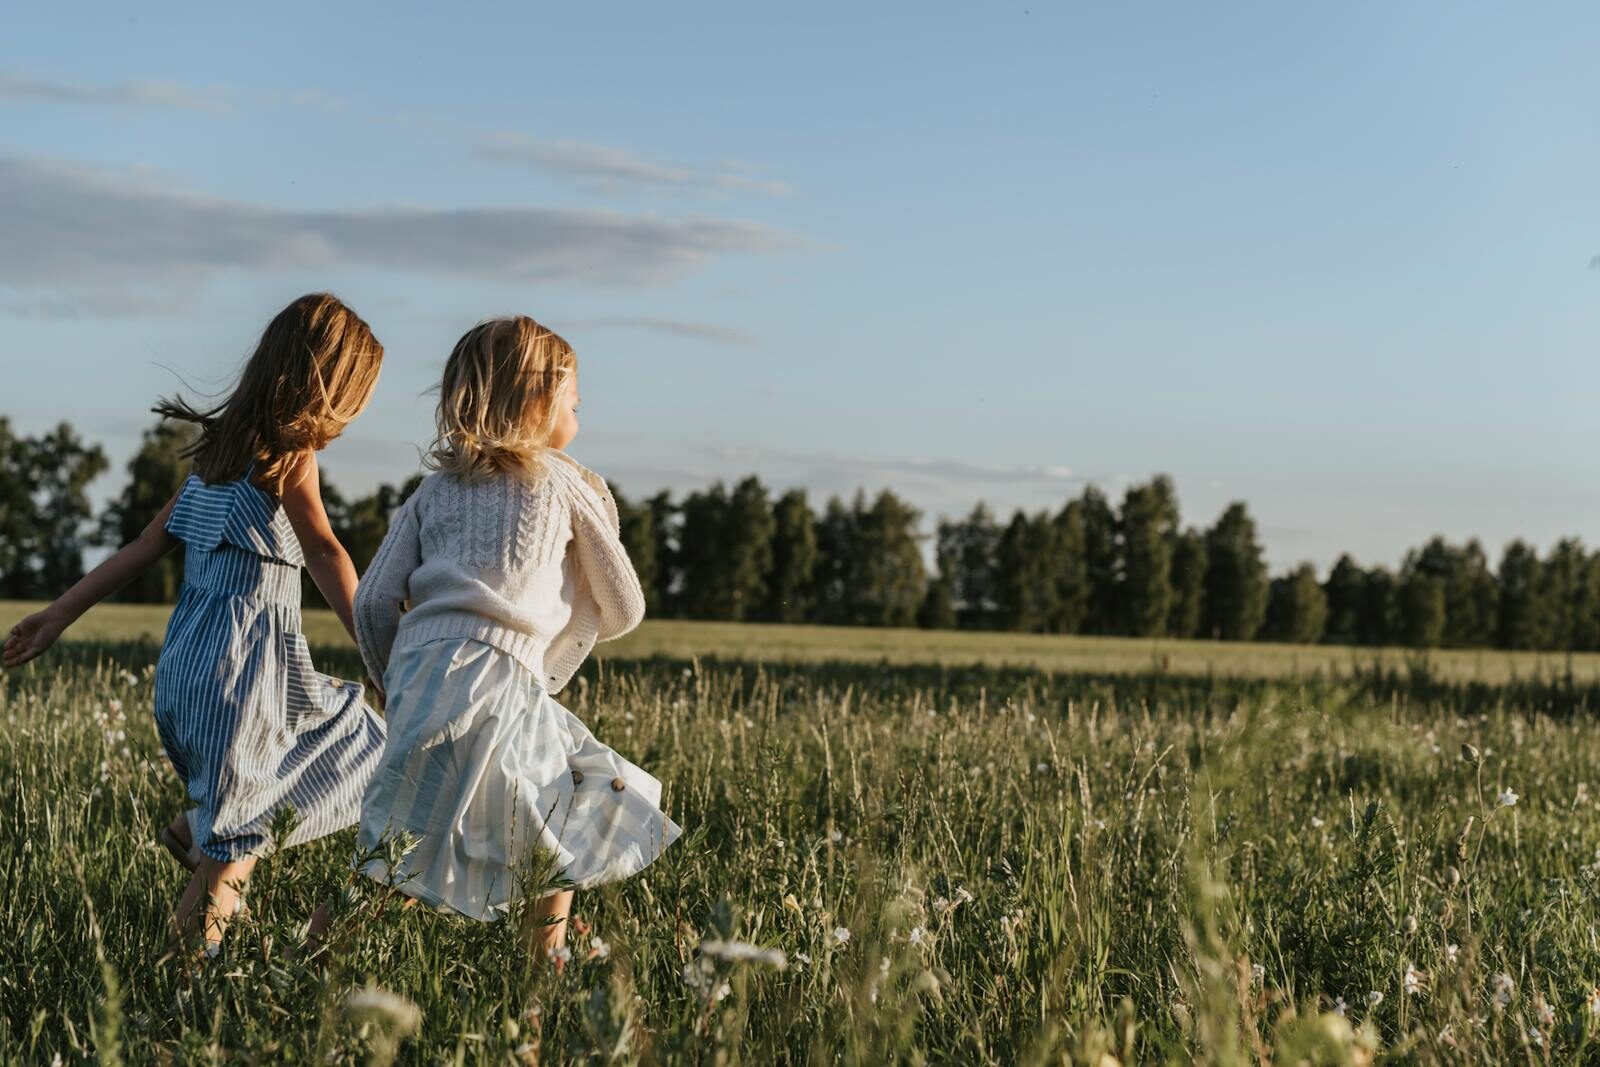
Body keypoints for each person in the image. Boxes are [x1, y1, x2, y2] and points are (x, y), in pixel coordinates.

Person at [3, 293, 389, 959]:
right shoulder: (288, 456)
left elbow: (147, 543)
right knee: (249, 834)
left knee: (335, 734)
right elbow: (324, 550)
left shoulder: (217, 454)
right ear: (329, 387)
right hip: (244, 675)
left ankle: (194, 828)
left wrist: (57, 615)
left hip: (190, 668)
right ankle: (185, 979)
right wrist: (381, 653)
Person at [352, 315, 680, 958]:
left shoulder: (433, 491)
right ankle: (544, 964)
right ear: (538, 402)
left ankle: (317, 963)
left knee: (399, 842)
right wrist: (564, 616)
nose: (578, 421)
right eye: (574, 404)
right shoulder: (561, 481)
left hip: (423, 679)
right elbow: (626, 604)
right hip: (502, 679)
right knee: (563, 810)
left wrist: (394, 683)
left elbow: (371, 603)